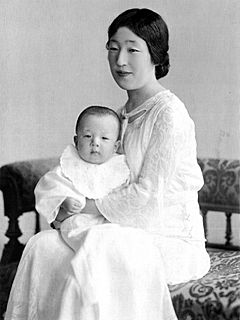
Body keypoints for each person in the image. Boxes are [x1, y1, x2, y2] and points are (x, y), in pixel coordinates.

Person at [5, 8, 210, 320]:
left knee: (91, 260)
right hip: (120, 228)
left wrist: (85, 207)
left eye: (132, 49)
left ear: (154, 54)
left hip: (169, 241)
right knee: (42, 246)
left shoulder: (169, 114)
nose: (120, 60)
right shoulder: (120, 115)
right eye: (113, 49)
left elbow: (147, 197)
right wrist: (65, 205)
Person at [35, 106, 130, 251]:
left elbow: (126, 197)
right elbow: (48, 188)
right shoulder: (68, 168)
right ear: (76, 140)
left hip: (110, 224)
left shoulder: (119, 170)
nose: (95, 142)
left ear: (115, 146)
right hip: (77, 223)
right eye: (87, 136)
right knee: (86, 241)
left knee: (118, 242)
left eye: (104, 138)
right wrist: (64, 200)